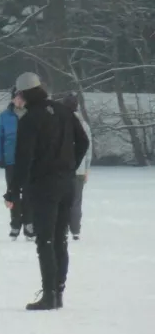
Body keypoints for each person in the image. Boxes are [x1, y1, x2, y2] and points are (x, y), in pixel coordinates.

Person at [5, 73, 90, 311]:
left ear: (23, 94)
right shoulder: (64, 111)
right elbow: (83, 141)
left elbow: (23, 159)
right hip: (67, 184)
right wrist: (69, 166)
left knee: (45, 240)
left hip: (43, 185)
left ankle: (49, 295)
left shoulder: (30, 119)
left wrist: (13, 191)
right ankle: (59, 293)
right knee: (60, 240)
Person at [0, 89, 34, 240]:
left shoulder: (33, 115)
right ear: (12, 99)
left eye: (23, 98)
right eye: (17, 98)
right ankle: (15, 225)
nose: (20, 101)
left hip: (30, 161)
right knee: (13, 193)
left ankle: (30, 224)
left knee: (30, 193)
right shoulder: (5, 117)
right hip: (11, 161)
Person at [60, 94, 92, 241]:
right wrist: (86, 168)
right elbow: (88, 148)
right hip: (79, 170)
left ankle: (63, 228)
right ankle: (75, 230)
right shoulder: (83, 124)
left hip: (63, 169)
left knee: (62, 200)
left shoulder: (59, 122)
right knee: (76, 201)